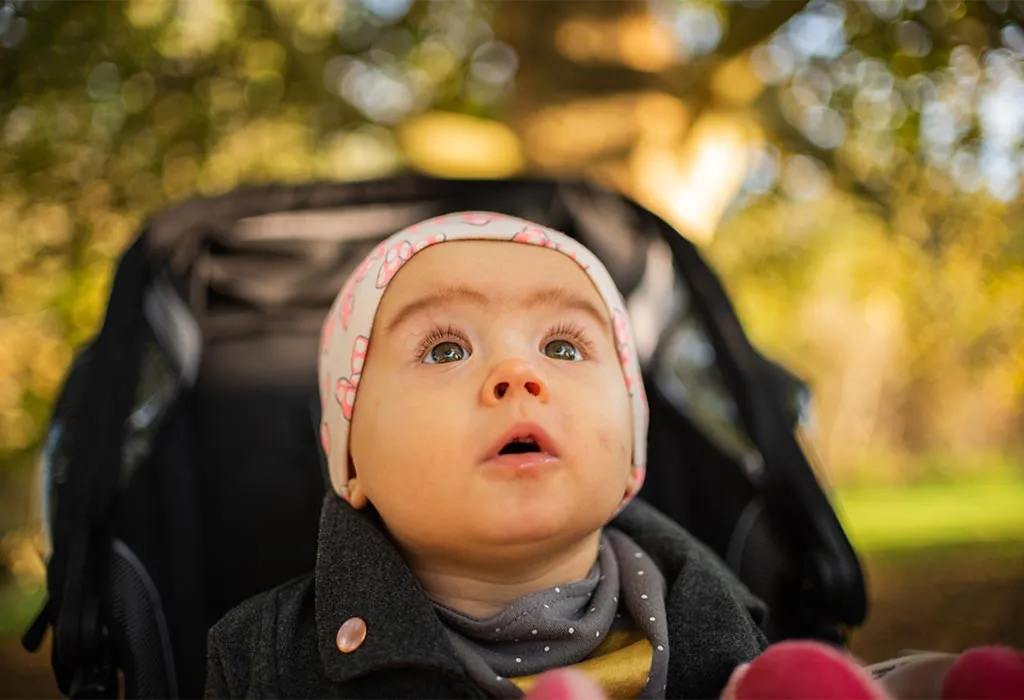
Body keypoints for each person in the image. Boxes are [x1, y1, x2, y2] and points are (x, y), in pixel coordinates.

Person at [204, 212, 768, 699]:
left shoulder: (726, 623)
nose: (517, 374)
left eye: (562, 347)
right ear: (350, 462)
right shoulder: (265, 661)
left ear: (632, 456)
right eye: (446, 349)